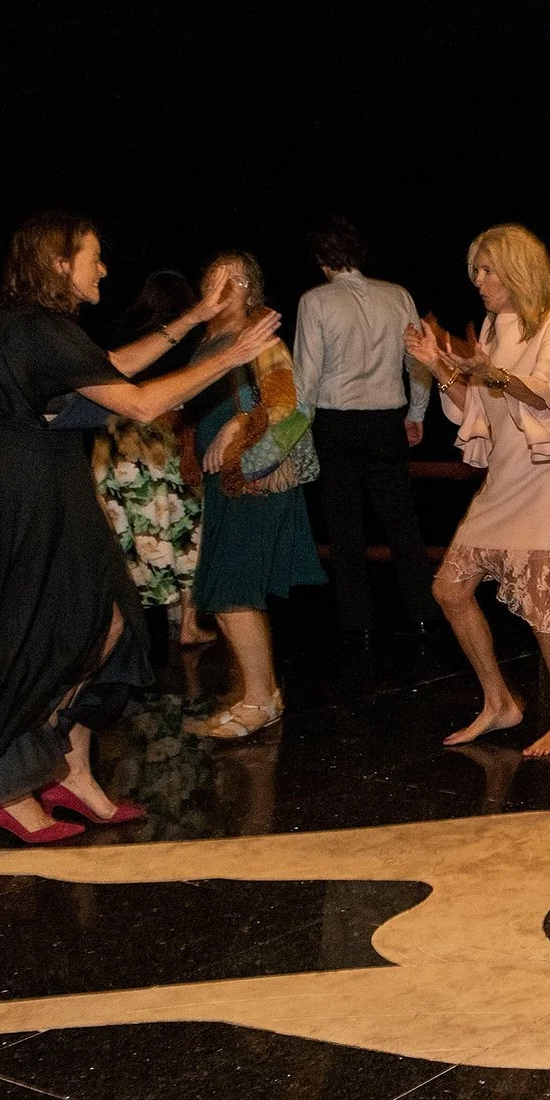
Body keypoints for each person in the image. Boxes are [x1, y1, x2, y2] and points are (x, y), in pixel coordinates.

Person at [0, 213, 278, 844]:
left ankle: (72, 773)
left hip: (49, 481)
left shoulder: (41, 330)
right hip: (27, 492)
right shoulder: (34, 330)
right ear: (60, 263)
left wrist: (197, 316)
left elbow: (113, 363)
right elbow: (143, 401)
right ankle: (5, 788)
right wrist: (232, 353)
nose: (104, 268)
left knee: (111, 616)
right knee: (48, 629)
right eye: (94, 256)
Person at [406, 224, 550, 753]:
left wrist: (488, 370)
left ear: (516, 270)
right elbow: (476, 411)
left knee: (543, 603)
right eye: (476, 272)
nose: (479, 281)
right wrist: (439, 367)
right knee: (449, 587)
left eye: (487, 270)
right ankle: (500, 702)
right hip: (508, 474)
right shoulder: (489, 325)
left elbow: (543, 397)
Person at [187, 251, 328, 740]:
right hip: (226, 481)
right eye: (207, 276)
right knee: (226, 588)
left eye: (222, 278)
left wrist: (238, 425)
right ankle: (261, 692)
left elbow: (290, 403)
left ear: (246, 285)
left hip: (253, 481)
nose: (211, 286)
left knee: (231, 589)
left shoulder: (257, 336)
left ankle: (258, 701)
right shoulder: (211, 339)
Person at [293, 216, 440, 645]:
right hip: (385, 420)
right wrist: (416, 413)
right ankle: (424, 612)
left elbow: (306, 378)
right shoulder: (398, 296)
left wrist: (299, 433)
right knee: (402, 521)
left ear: (323, 259)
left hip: (336, 422)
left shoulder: (315, 301)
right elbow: (418, 363)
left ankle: (358, 621)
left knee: (344, 525)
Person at [92, 270, 213, 651]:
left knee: (129, 534)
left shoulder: (121, 334)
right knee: (185, 530)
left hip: (113, 447)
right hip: (162, 444)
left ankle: (133, 624)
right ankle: (187, 624)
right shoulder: (189, 339)